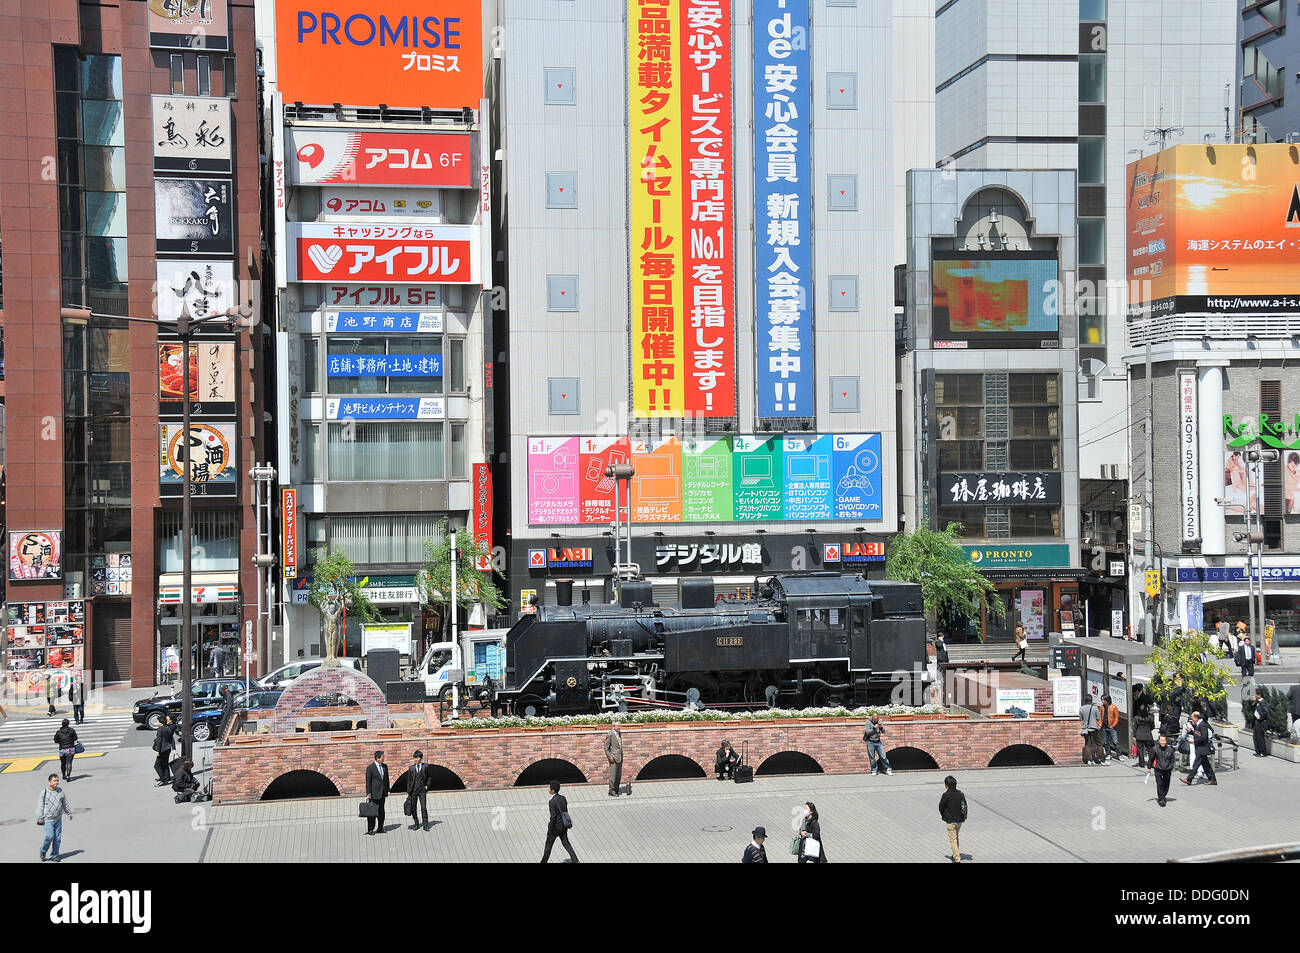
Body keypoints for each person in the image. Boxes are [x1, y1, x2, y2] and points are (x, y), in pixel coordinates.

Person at [37, 773, 73, 862]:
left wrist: (69, 813)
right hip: (48, 819)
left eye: (57, 780)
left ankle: (54, 855)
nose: (56, 782)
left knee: (57, 838)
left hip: (58, 819)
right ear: (49, 782)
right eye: (54, 781)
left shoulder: (60, 791)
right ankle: (43, 850)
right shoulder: (44, 792)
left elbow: (65, 803)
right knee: (49, 836)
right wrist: (40, 817)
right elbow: (40, 806)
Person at [541, 781, 579, 863]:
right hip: (563, 826)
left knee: (548, 846)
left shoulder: (552, 802)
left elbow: (553, 817)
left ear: (553, 790)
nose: (548, 789)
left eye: (549, 788)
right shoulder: (563, 798)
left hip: (555, 828)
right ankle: (575, 860)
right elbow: (565, 811)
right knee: (566, 843)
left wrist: (550, 827)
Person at [1180, 712, 1217, 786]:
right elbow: (1198, 734)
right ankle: (1212, 779)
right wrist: (1191, 732)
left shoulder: (1203, 725)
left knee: (1195, 765)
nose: (1192, 720)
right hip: (1200, 748)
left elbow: (1204, 737)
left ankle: (1189, 779)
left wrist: (1195, 740)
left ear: (1196, 717)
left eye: (1192, 718)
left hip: (1202, 749)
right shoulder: (1199, 724)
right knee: (1206, 766)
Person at [939, 775, 967, 863]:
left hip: (950, 821)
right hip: (959, 821)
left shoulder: (946, 795)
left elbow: (941, 807)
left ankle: (957, 859)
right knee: (956, 837)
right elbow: (965, 805)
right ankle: (955, 854)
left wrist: (944, 815)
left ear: (946, 785)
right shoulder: (960, 794)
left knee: (953, 839)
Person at [403, 750, 430, 830]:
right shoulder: (411, 768)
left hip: (422, 790)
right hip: (413, 791)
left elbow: (430, 777)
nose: (415, 759)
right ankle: (416, 823)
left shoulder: (426, 766)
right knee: (413, 808)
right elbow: (409, 781)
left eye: (417, 758)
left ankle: (425, 824)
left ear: (421, 758)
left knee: (423, 807)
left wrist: (427, 786)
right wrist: (408, 792)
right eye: (414, 758)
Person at [364, 750, 390, 834]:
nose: (384, 758)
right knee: (372, 812)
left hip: (382, 793)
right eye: (383, 757)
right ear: (377, 758)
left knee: (381, 811)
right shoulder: (370, 768)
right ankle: (370, 829)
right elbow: (368, 782)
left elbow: (386, 779)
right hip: (374, 794)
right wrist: (368, 793)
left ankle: (380, 828)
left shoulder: (384, 766)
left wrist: (388, 790)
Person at [1151, 735, 1176, 807]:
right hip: (1158, 769)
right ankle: (1161, 799)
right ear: (1159, 741)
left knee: (1166, 784)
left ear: (1166, 741)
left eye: (1163, 740)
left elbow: (1172, 759)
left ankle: (1163, 795)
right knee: (1159, 784)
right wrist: (1149, 767)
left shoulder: (1170, 749)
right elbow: (1151, 758)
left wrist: (1171, 767)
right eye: (1161, 740)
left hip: (1167, 769)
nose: (1162, 742)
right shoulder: (1155, 749)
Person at [152, 714, 175, 785]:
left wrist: (158, 751)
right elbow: (171, 738)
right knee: (165, 764)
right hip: (167, 749)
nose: (157, 723)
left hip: (162, 750)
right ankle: (167, 778)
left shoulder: (160, 730)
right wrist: (173, 748)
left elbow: (159, 741)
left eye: (158, 722)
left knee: (157, 765)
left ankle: (163, 779)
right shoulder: (167, 728)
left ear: (161, 723)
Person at [1098, 694, 1122, 763]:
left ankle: (1119, 754)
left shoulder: (1113, 707)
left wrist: (1112, 725)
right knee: (1106, 742)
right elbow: (1100, 717)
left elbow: (1116, 717)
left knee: (1115, 741)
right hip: (1104, 726)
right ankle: (1108, 753)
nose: (1102, 701)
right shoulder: (1101, 707)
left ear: (1107, 700)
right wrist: (1100, 724)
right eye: (1102, 700)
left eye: (1103, 700)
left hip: (1111, 727)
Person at [1079, 693, 1102, 764]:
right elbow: (1098, 718)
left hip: (1086, 729)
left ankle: (1089, 760)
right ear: (1091, 700)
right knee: (1099, 743)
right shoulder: (1095, 708)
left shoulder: (1081, 708)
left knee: (1087, 744)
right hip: (1094, 728)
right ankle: (1099, 758)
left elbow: (1081, 718)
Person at [604, 724, 624, 797]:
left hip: (620, 757)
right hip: (613, 758)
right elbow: (606, 747)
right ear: (614, 726)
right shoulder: (610, 734)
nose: (619, 727)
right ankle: (611, 790)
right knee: (613, 775)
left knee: (618, 775)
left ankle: (616, 789)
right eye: (618, 726)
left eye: (620, 726)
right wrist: (609, 757)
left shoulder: (619, 733)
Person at [1250, 688, 1269, 758]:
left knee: (1260, 737)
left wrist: (1260, 717)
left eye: (1256, 694)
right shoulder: (1258, 702)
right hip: (1256, 722)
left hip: (1260, 722)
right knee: (1255, 737)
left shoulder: (1262, 702)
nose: (1255, 696)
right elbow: (1252, 707)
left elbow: (1266, 712)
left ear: (1259, 695)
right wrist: (1254, 702)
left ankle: (1263, 752)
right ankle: (1258, 751)